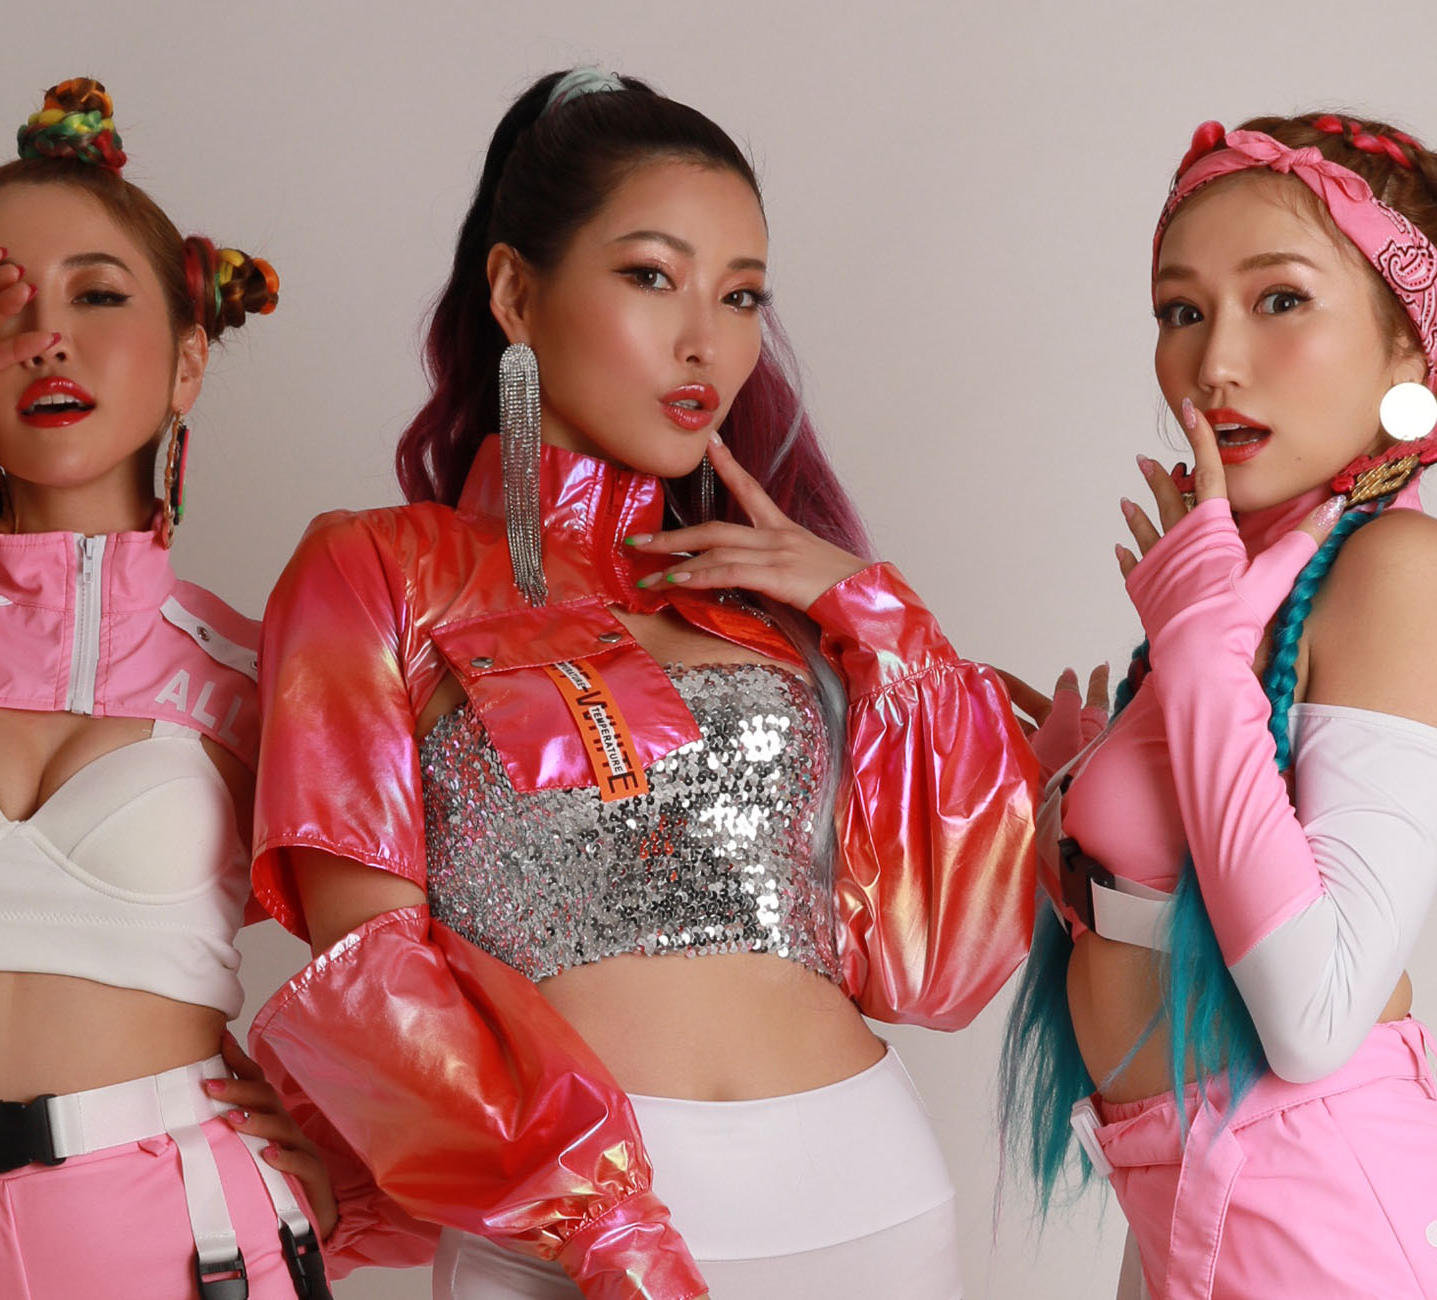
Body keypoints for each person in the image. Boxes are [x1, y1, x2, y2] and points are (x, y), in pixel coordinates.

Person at [246, 68, 1037, 1300]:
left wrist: (874, 611)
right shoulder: (377, 569)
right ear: (515, 292)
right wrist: (600, 1227)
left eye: (741, 294)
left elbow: (944, 962)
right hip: (571, 1232)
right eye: (652, 276)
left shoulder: (764, 605)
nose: (705, 341)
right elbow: (367, 971)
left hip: (866, 1197)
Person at [0, 78, 347, 1298]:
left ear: (188, 361)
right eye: (2, 306)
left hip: (193, 1243)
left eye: (99, 295)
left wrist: (365, 1164)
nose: (49, 339)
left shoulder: (269, 671)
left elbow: (429, 945)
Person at [999, 112, 1437, 1298]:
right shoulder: (1248, 581)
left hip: (1324, 1224)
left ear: (1410, 351)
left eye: (1278, 299)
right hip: (1188, 1208)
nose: (1212, 364)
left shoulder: (1393, 570)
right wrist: (1069, 799)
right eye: (1180, 310)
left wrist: (1196, 659)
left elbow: (1315, 1016)